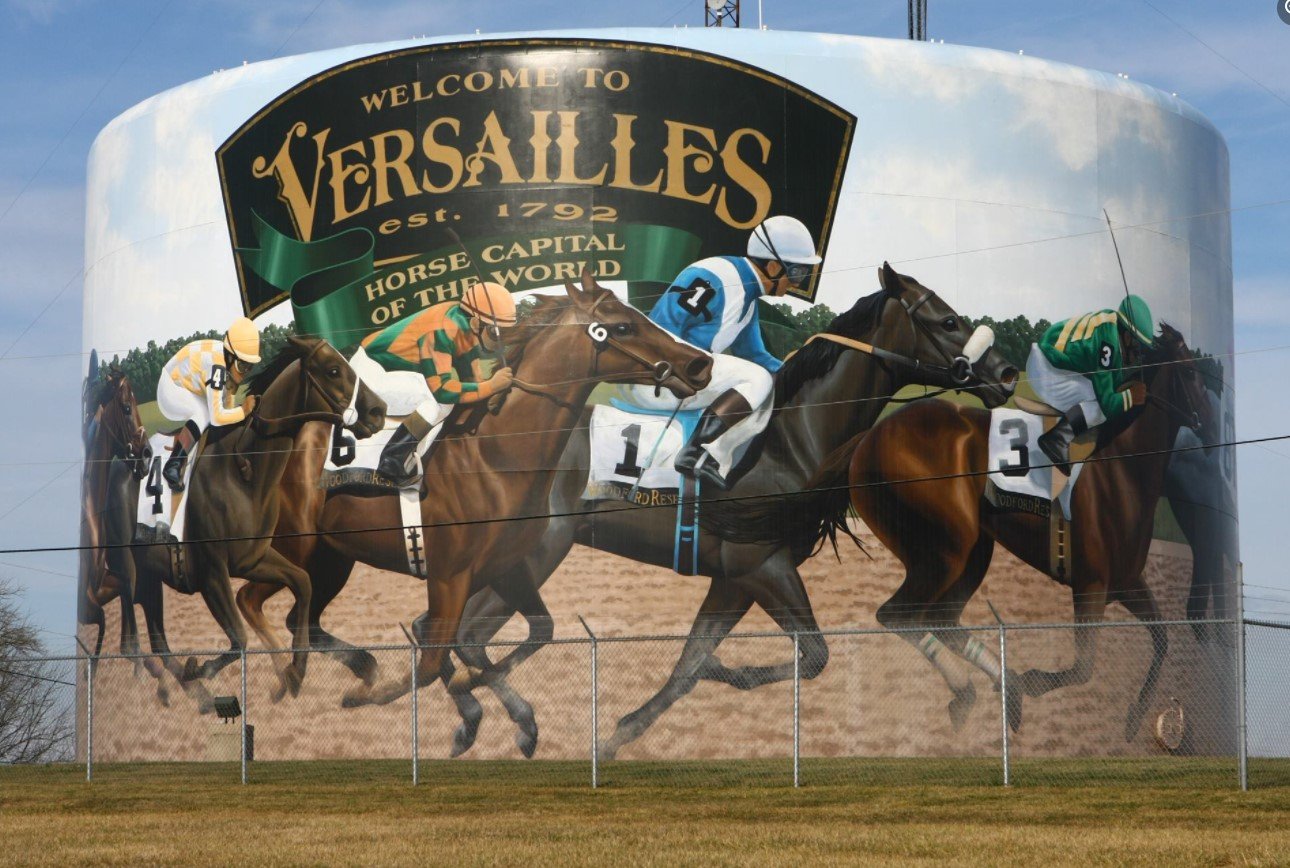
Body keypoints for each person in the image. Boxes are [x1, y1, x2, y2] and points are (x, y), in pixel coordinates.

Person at [632, 215, 821, 490]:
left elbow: (756, 355)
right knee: (759, 381)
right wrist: (672, 374)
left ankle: (710, 456)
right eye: (796, 273)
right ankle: (696, 452)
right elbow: (662, 328)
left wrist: (801, 372)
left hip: (685, 380)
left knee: (769, 388)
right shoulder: (715, 275)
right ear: (771, 266)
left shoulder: (749, 301)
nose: (796, 283)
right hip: (657, 379)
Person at [362, 281, 518, 487]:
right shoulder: (442, 329)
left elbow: (473, 378)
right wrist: (491, 386)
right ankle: (392, 460)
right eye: (495, 332)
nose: (500, 340)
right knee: (437, 403)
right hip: (371, 371)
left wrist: (489, 387)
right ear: (475, 324)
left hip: (396, 370)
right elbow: (443, 390)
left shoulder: (466, 326)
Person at [1030, 294, 1155, 472]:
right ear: (1127, 337)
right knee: (1100, 407)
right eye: (1138, 348)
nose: (1138, 357)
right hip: (1045, 368)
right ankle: (1057, 439)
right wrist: (1130, 397)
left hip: (1052, 362)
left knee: (1100, 395)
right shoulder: (1108, 343)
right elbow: (1108, 405)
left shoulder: (1112, 327)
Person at [156, 316, 261, 491]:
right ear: (230, 356)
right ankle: (173, 465)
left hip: (187, 387)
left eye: (249, 367)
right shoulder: (217, 367)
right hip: (169, 390)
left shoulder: (223, 359)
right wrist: (243, 411)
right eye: (242, 366)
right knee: (204, 413)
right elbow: (217, 417)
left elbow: (226, 404)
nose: (244, 373)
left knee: (208, 410)